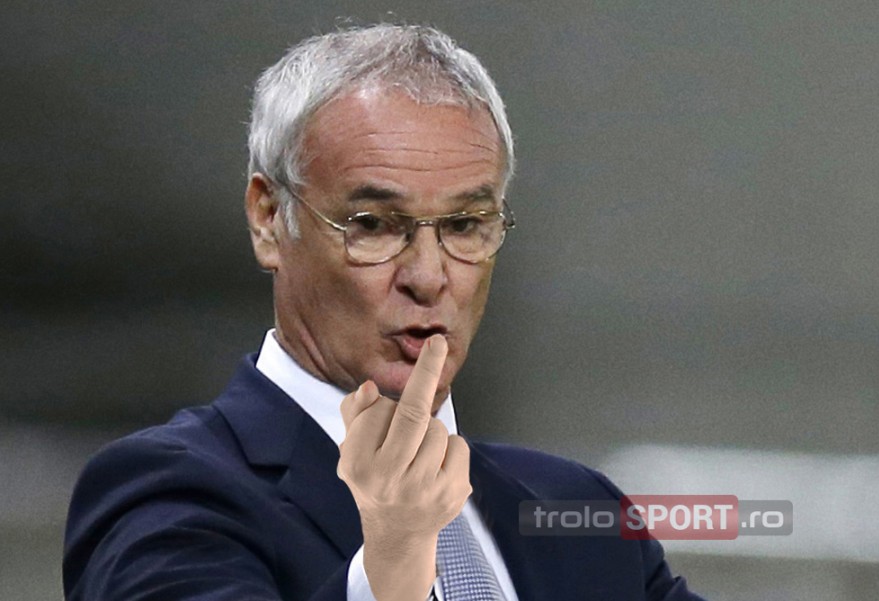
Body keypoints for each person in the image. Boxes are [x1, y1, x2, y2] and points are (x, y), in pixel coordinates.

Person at [63, 23, 704, 601]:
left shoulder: (578, 511)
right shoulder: (165, 494)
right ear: (267, 220)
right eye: (373, 225)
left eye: (464, 223)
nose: (429, 277)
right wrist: (387, 574)